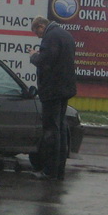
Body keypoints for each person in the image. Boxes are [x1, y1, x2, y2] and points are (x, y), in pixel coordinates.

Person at [29, 16, 77, 180]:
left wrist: (34, 56)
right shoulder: (66, 35)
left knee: (51, 131)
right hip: (65, 89)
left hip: (52, 90)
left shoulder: (51, 37)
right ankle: (59, 170)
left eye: (37, 32)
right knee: (61, 129)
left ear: (41, 26)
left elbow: (45, 61)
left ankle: (49, 171)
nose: (38, 36)